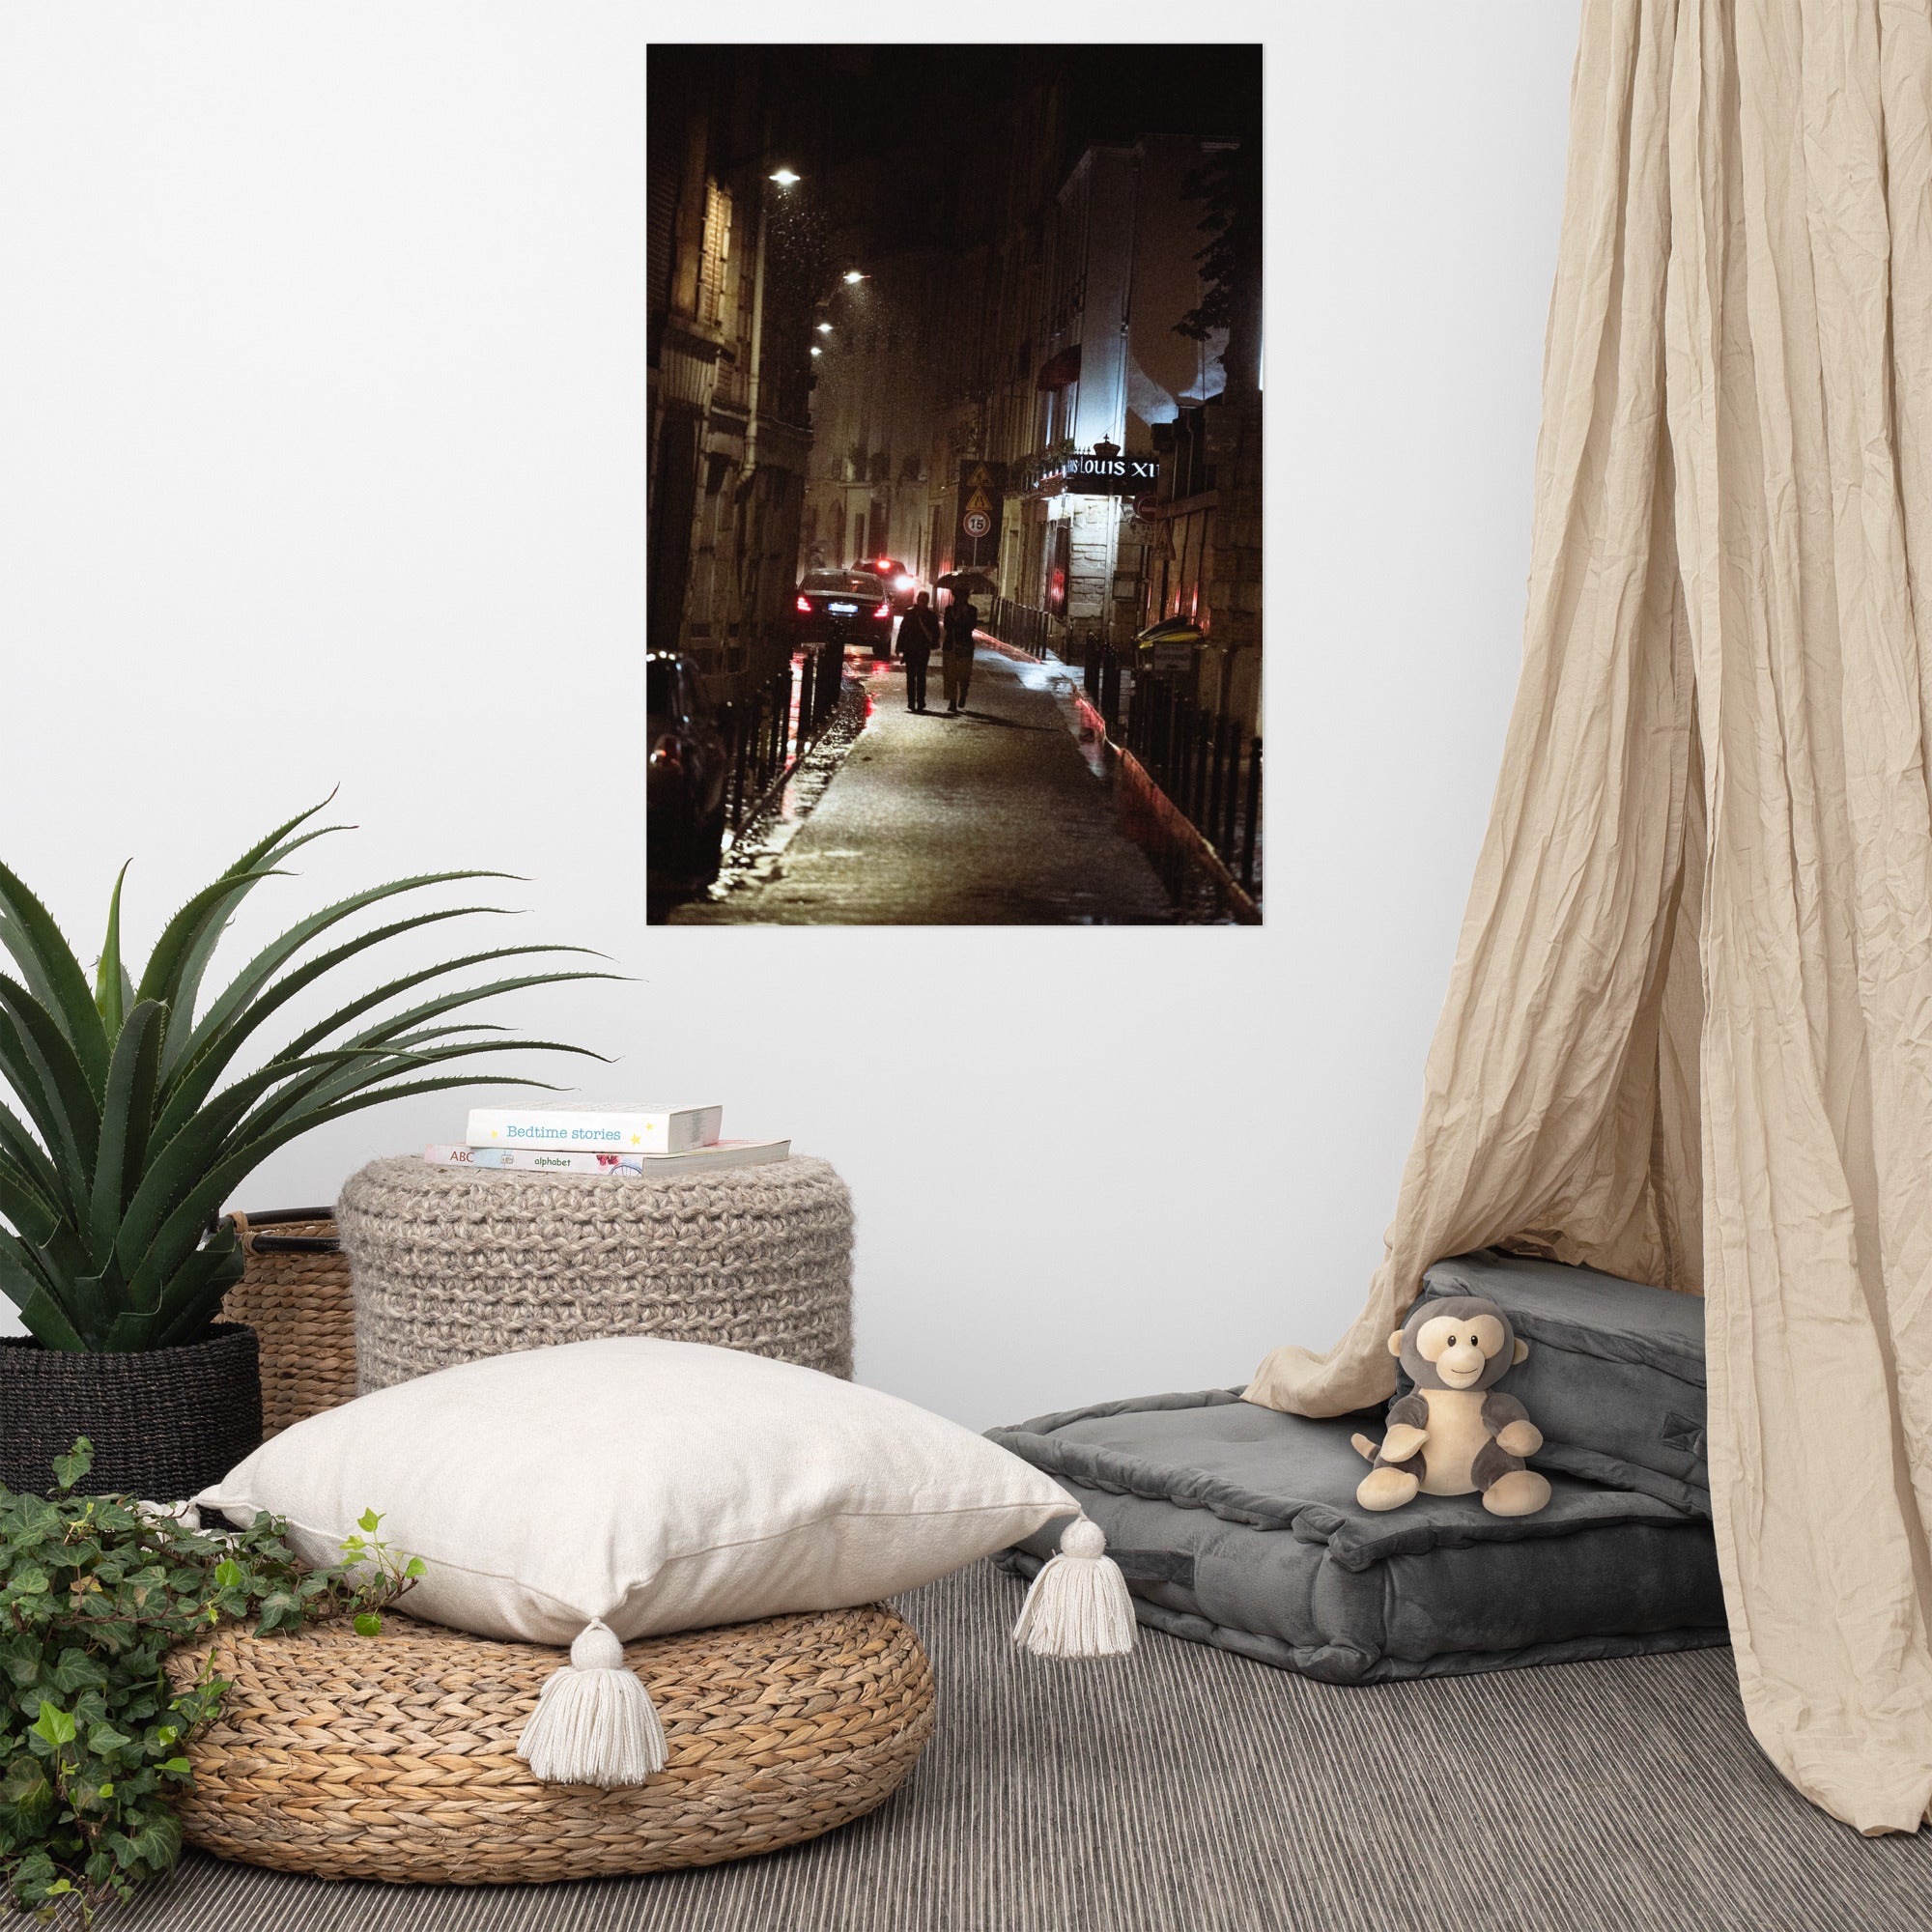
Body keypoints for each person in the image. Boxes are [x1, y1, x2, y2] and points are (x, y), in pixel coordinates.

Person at [897, 590, 939, 712]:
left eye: (924, 601)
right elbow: (903, 630)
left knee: (921, 675)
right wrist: (899, 646)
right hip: (910, 647)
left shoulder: (931, 616)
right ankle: (911, 701)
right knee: (910, 676)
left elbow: (935, 634)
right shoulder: (909, 613)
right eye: (920, 600)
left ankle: (921, 701)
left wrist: (922, 623)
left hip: (923, 648)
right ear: (917, 600)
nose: (922, 603)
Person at [941, 596, 978, 713]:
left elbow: (972, 626)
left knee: (964, 674)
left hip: (965, 645)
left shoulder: (972, 610)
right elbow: (946, 625)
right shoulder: (949, 610)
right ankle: (952, 701)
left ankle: (963, 692)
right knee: (950, 674)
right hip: (951, 645)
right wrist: (955, 617)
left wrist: (965, 615)